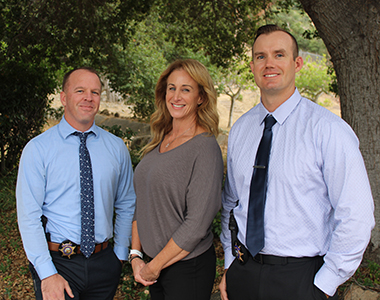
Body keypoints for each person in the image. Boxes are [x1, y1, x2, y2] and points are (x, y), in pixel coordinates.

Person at [219, 24, 375, 300]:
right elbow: (231, 203)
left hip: (302, 279)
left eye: (279, 55)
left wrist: (325, 283)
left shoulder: (329, 131)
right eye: (260, 56)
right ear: (253, 65)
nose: (269, 63)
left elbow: (356, 215)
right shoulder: (241, 129)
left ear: (297, 63)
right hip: (244, 271)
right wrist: (231, 265)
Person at [16, 67, 136, 300]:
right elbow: (28, 216)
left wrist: (120, 253)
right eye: (80, 90)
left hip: (105, 263)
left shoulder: (116, 148)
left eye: (95, 92)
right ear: (63, 97)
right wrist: (47, 274)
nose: (88, 97)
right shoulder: (38, 149)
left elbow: (126, 202)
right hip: (59, 264)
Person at [130, 59, 224, 300]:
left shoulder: (205, 149)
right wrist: (136, 255)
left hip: (187, 269)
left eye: (186, 89)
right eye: (172, 88)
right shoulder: (160, 138)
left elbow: (196, 225)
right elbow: (141, 203)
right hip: (155, 266)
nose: (176, 96)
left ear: (201, 97)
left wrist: (153, 267)